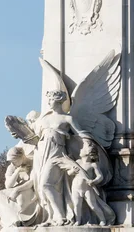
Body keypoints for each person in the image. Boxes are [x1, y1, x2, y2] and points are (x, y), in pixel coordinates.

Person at [32, 90, 91, 226]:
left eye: (51, 99)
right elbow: (35, 138)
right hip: (43, 155)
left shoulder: (67, 118)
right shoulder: (44, 119)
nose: (48, 102)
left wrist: (89, 145)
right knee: (45, 186)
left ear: (58, 100)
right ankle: (53, 215)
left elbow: (81, 134)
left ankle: (60, 216)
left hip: (58, 156)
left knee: (45, 184)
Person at [0, 147, 40, 229]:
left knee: (20, 198)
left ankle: (22, 219)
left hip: (29, 189)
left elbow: (33, 181)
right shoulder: (12, 167)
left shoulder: (33, 162)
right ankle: (13, 221)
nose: (12, 163)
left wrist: (17, 190)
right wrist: (17, 171)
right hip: (16, 189)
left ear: (21, 157)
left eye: (14, 161)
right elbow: (8, 185)